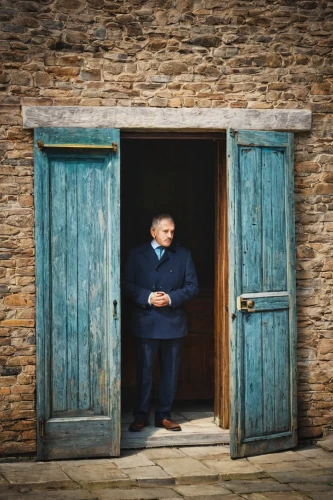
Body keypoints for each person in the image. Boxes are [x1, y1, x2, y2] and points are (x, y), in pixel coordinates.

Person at [123, 214, 199, 432]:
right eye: (165, 231)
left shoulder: (183, 255)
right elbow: (126, 283)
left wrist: (171, 298)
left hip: (173, 322)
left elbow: (193, 287)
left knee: (170, 372)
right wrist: (148, 297)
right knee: (144, 372)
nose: (170, 235)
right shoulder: (137, 255)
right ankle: (140, 415)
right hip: (145, 322)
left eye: (172, 231)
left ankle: (164, 416)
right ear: (153, 232)